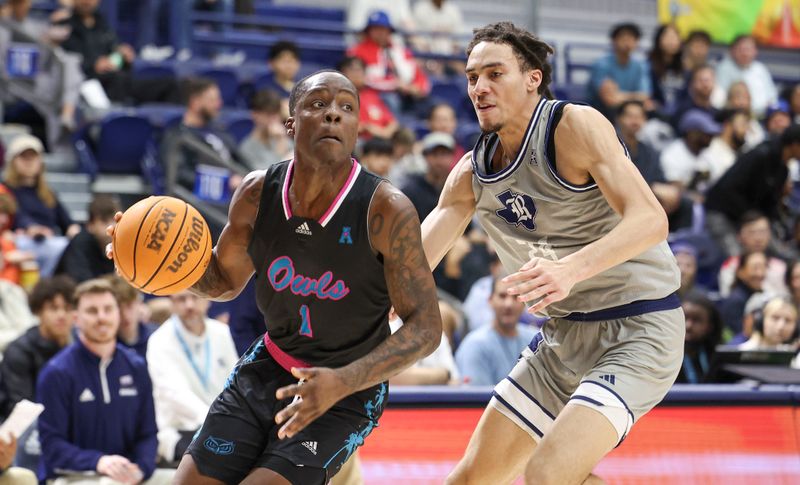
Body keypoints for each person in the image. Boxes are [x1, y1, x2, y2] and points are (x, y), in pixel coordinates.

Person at [108, 70, 442, 484]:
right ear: (291, 123)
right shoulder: (256, 193)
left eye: (346, 108)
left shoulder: (387, 209)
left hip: (347, 389)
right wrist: (162, 268)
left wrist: (342, 382)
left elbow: (427, 328)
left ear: (357, 127)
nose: (333, 115)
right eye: (318, 104)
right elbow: (224, 282)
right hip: (270, 366)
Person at [421, 22, 683, 484]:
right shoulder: (471, 175)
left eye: (494, 73)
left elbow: (651, 219)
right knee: (467, 480)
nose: (479, 87)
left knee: (547, 473)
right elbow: (409, 266)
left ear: (532, 78)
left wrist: (570, 269)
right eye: (471, 77)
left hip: (640, 327)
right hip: (563, 336)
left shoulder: (573, 126)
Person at [36, 279, 172, 484]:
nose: (102, 317)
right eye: (92, 311)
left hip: (127, 473)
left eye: (108, 309)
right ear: (76, 318)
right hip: (73, 475)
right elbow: (52, 447)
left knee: (187, 479)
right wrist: (98, 461)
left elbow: (148, 433)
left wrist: (141, 469)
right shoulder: (57, 372)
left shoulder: (136, 366)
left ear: (117, 313)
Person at [146, 291, 239, 465]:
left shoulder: (222, 332)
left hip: (224, 423)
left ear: (208, 300)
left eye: (195, 297)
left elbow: (235, 381)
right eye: (181, 299)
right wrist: (218, 422)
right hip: (181, 430)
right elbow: (175, 394)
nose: (189, 305)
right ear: (172, 303)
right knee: (223, 457)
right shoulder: (159, 340)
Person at [704, 125, 800, 257]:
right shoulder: (760, 155)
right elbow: (728, 189)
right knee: (738, 258)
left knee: (781, 255)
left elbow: (769, 204)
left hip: (752, 221)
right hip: (722, 213)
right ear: (795, 145)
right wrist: (751, 217)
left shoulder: (783, 170)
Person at [3, 134, 78, 276]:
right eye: (23, 157)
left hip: (51, 243)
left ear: (40, 161)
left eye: (33, 157)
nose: (29, 161)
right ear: (13, 161)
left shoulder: (48, 193)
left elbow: (68, 222)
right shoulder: (5, 190)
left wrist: (73, 230)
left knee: (70, 245)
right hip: (21, 241)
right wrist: (31, 228)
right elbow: (17, 216)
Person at [0, 275, 75, 418]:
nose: (61, 315)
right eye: (53, 308)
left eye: (67, 308)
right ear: (38, 312)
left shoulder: (78, 345)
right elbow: (20, 409)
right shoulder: (19, 352)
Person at [456, 275, 539, 386]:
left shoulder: (535, 340)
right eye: (502, 296)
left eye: (515, 297)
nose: (508, 304)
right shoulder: (475, 345)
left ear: (525, 302)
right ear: (490, 300)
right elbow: (476, 399)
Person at [587, 22, 653, 119]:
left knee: (653, 111)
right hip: (601, 110)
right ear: (614, 41)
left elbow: (644, 96)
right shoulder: (601, 64)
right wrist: (635, 97)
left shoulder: (640, 65)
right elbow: (609, 99)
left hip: (631, 108)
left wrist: (620, 96)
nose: (627, 43)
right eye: (623, 39)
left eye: (631, 39)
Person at [55, 194, 118, 283]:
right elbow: (82, 284)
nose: (112, 226)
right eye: (104, 221)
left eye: (115, 221)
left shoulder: (116, 244)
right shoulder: (79, 243)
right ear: (90, 225)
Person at [714, 34, 778, 117]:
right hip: (733, 116)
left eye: (748, 49)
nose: (745, 53)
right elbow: (719, 100)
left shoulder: (760, 68)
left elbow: (772, 97)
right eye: (741, 49)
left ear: (755, 51)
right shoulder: (723, 68)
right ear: (732, 51)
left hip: (763, 117)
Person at [103, 275, 156, 360]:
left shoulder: (156, 336)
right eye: (119, 308)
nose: (125, 315)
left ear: (139, 303)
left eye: (129, 306)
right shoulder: (103, 347)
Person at [239, 89, 293, 171]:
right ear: (255, 115)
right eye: (268, 115)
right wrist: (280, 143)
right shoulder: (247, 148)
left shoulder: (284, 138)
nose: (274, 120)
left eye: (276, 114)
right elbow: (269, 178)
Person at [676, 292, 723, 384]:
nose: (688, 326)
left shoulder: (718, 357)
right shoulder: (664, 356)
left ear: (710, 326)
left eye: (696, 320)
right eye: (684, 318)